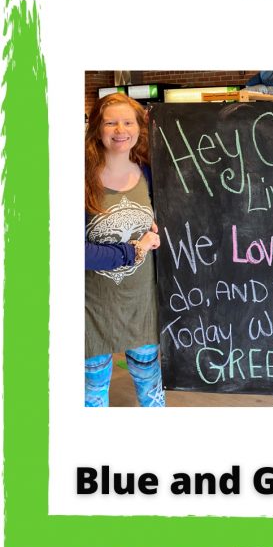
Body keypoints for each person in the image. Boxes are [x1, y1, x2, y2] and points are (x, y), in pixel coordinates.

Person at [84, 93, 165, 407]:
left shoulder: (148, 172)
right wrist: (134, 250)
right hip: (93, 307)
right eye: (110, 122)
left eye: (128, 121)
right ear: (97, 128)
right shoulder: (80, 178)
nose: (120, 129)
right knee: (93, 394)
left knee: (151, 388)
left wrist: (159, 231)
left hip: (140, 303)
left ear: (139, 127)